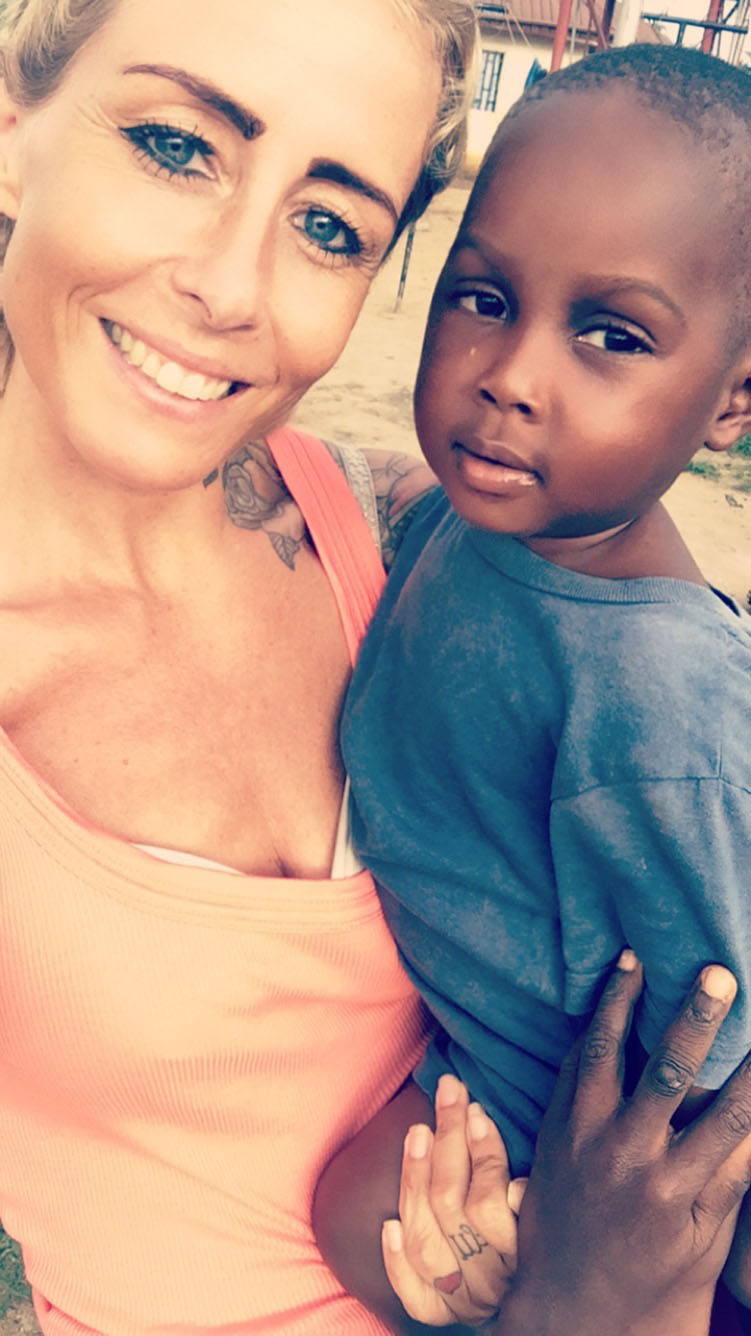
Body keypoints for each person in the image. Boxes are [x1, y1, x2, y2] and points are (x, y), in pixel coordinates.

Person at [0, 1, 475, 1332]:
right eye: (177, 146)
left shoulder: (402, 545)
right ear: (13, 129)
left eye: (328, 225)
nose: (231, 285)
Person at [315, 42, 751, 1331]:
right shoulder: (476, 519)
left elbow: (715, 1040)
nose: (510, 375)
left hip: (564, 1129)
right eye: (483, 297)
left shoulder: (658, 701)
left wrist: (583, 1252)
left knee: (358, 1214)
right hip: (459, 1038)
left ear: (733, 400)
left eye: (613, 335)